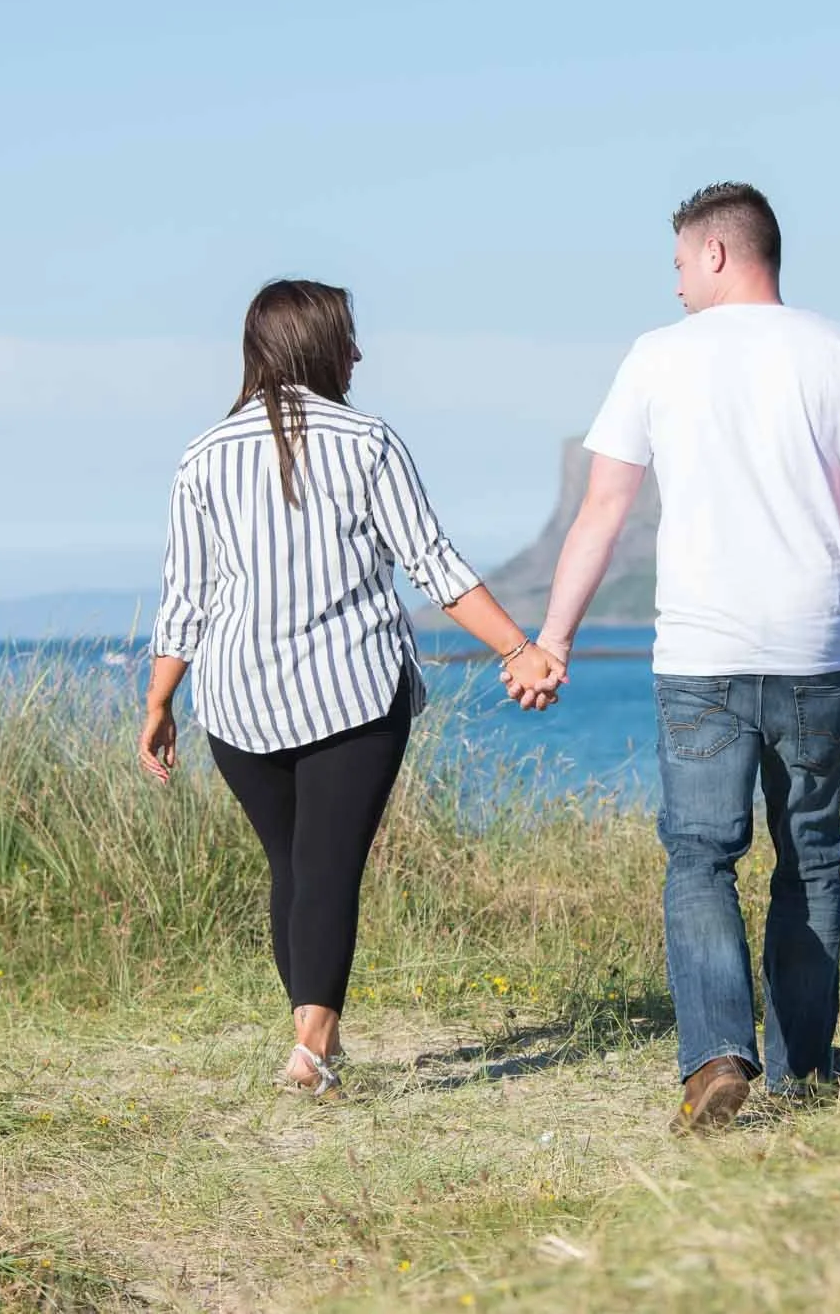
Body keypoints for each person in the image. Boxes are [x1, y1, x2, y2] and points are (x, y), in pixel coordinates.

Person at [514, 183, 840, 1133]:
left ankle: (718, 1062)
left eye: (683, 265)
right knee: (808, 857)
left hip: (700, 649)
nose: (680, 285)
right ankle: (806, 1070)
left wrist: (553, 640)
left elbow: (602, 512)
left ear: (721, 254)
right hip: (816, 645)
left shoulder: (657, 357)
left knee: (700, 859)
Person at [139, 278, 563, 1096]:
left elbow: (185, 598)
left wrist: (159, 703)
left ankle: (313, 1039)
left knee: (295, 868)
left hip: (236, 701)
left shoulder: (201, 455)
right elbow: (433, 562)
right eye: (349, 337)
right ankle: (314, 1046)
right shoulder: (367, 441)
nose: (360, 353)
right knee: (327, 867)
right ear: (321, 344)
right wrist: (520, 647)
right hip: (353, 692)